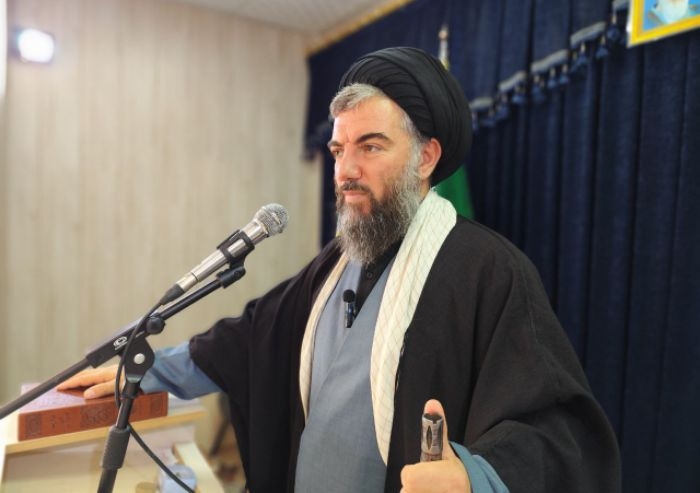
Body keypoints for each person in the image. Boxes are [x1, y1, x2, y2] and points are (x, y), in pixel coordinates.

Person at [59, 47, 621, 492]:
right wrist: (146, 371)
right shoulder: (334, 264)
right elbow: (250, 338)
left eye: (370, 147)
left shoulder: (489, 270)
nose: (346, 170)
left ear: (426, 158)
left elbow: (557, 429)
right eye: (337, 150)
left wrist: (474, 477)